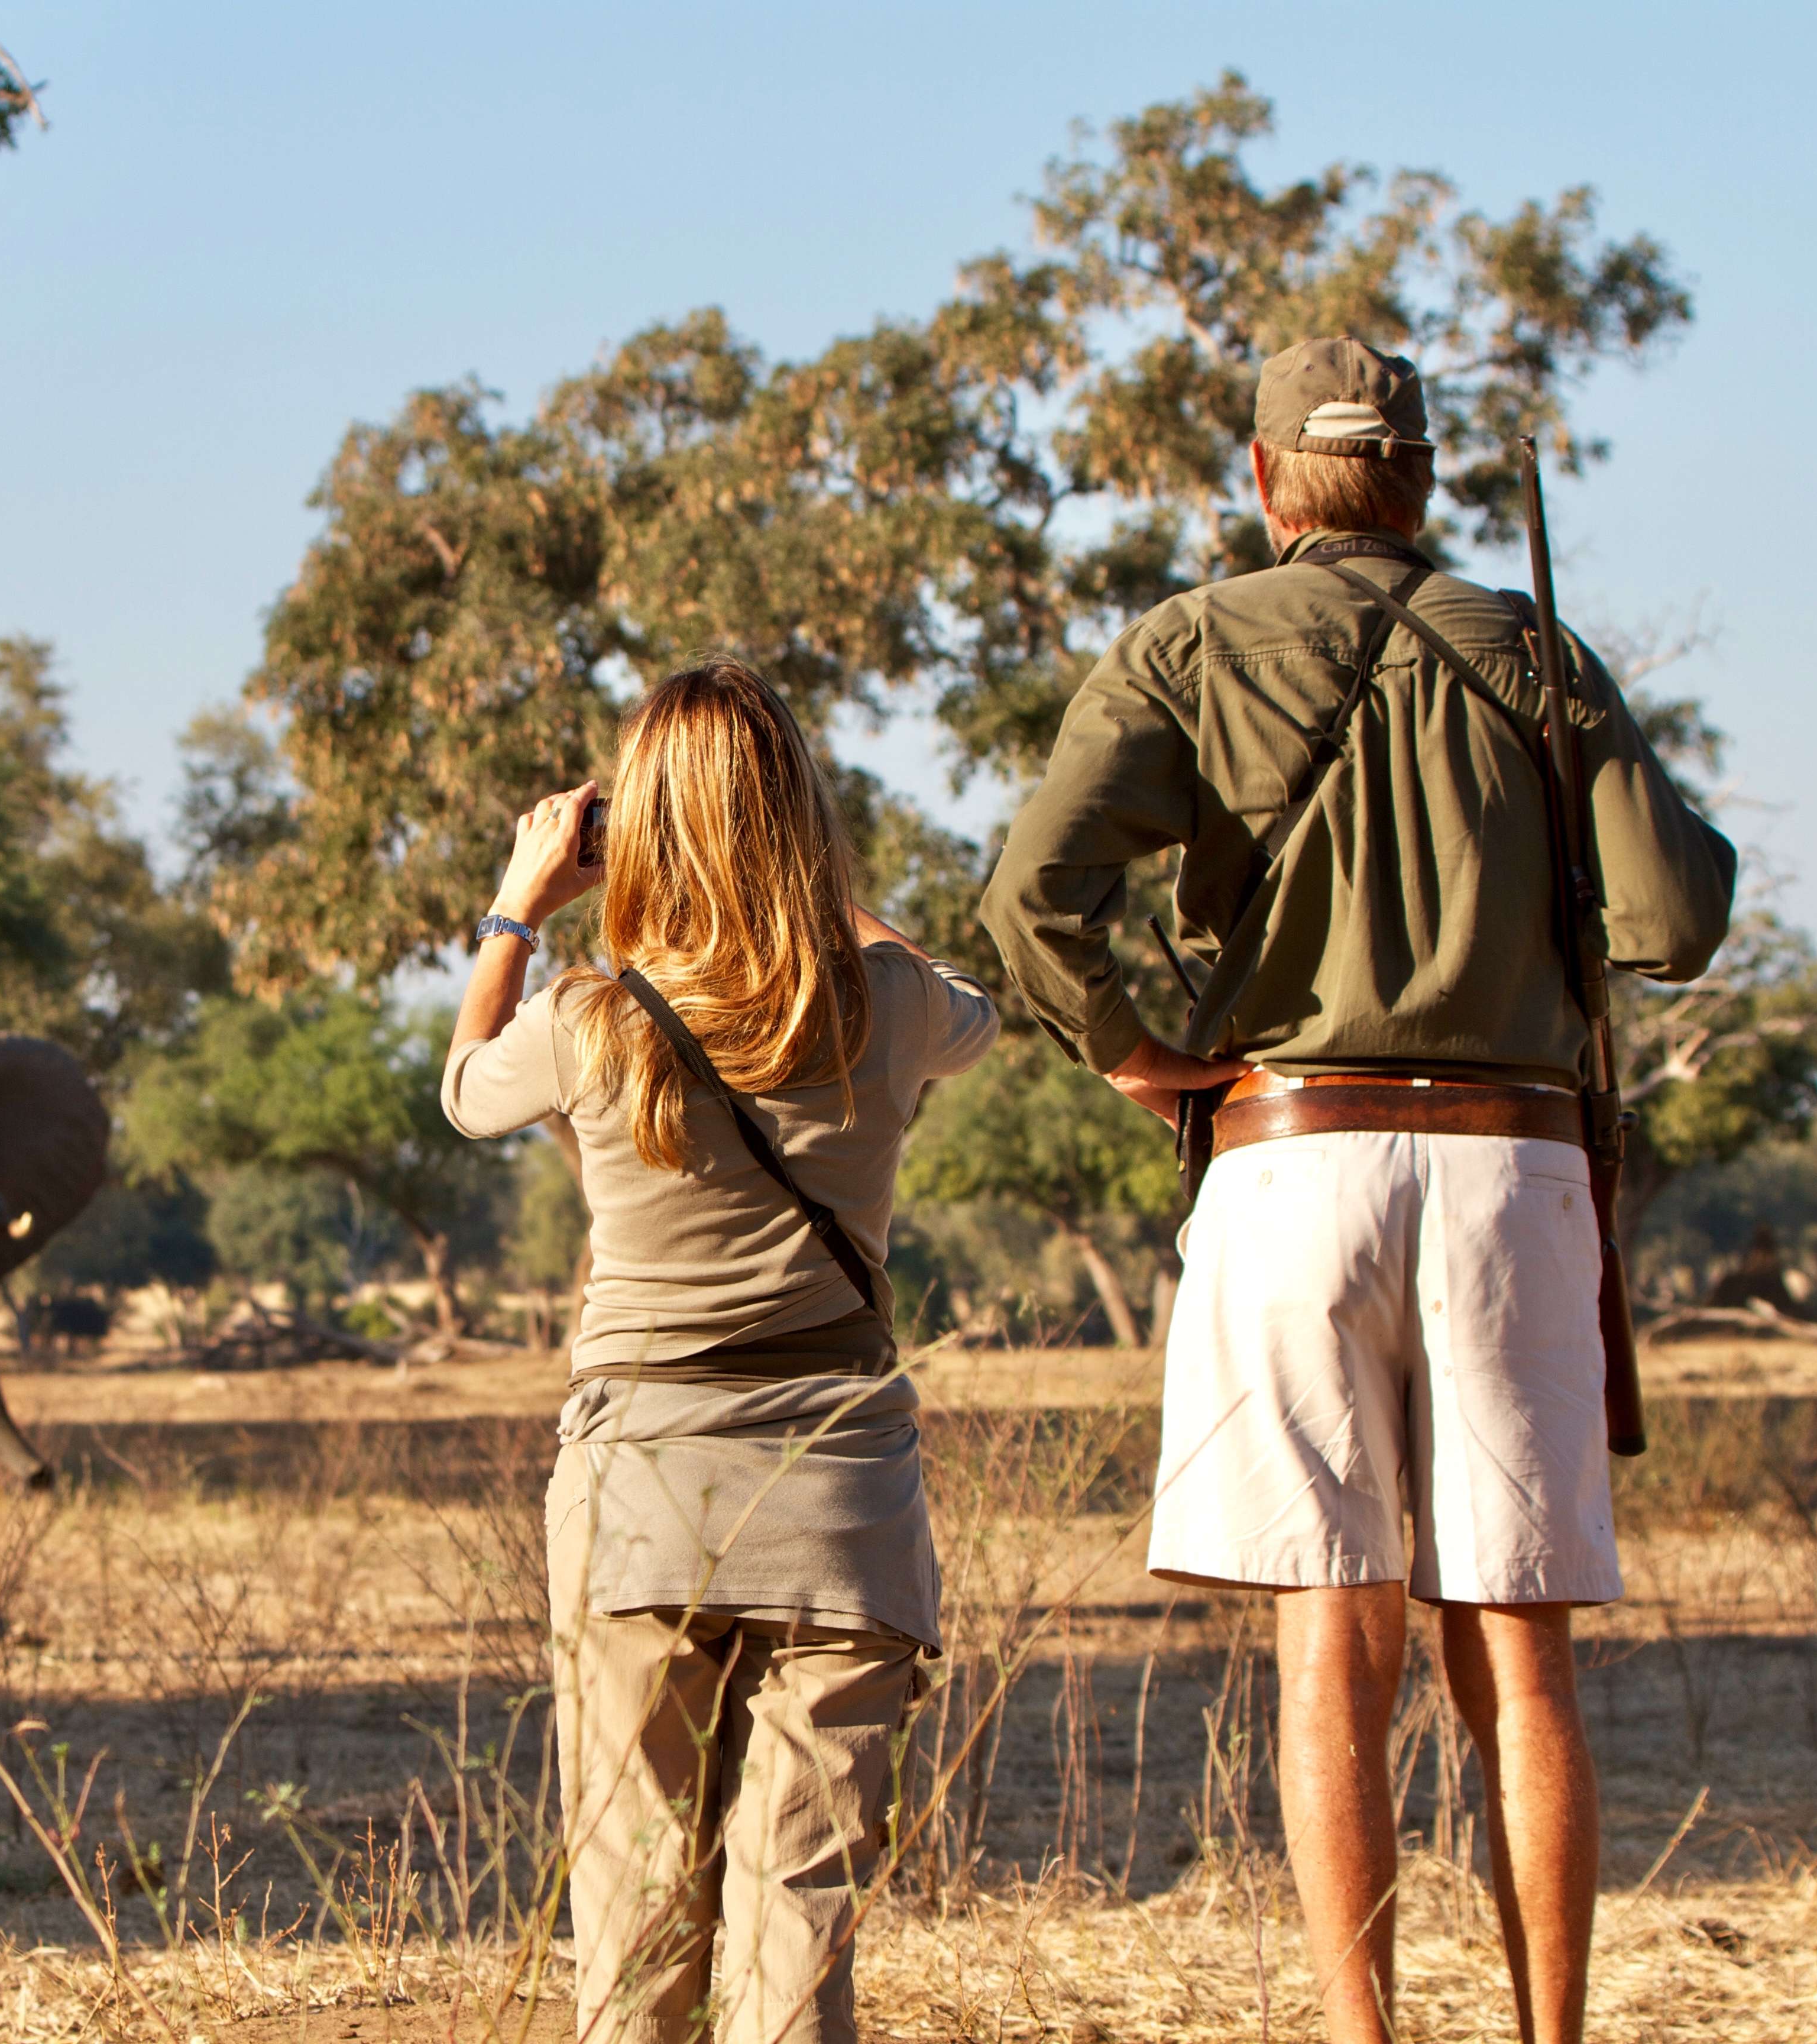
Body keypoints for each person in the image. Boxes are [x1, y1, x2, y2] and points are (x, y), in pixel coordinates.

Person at [977, 337, 1735, 2044]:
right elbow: (1677, 923)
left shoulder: (1186, 645)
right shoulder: (1538, 653)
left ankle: (1360, 2034)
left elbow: (1032, 897)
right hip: (1516, 1167)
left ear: (1264, 481)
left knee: (1335, 1634)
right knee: (1518, 1651)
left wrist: (1130, 1048)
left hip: (1289, 1157)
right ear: (1421, 477)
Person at [442, 656, 996, 2044]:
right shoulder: (888, 1001)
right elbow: (971, 994)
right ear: (802, 817)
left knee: (635, 1905)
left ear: (645, 826)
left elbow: (462, 1090)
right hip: (844, 1497)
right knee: (799, 1908)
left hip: (643, 1493)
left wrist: (522, 903)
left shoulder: (589, 1020)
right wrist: (815, 883)